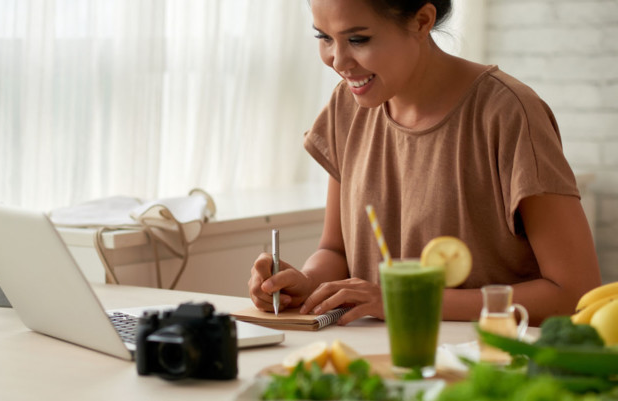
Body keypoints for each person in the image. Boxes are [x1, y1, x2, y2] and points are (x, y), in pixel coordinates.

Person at [248, 0, 601, 326]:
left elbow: (574, 294)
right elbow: (334, 250)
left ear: (421, 21)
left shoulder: (508, 113)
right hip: (382, 359)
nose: (338, 61)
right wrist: (306, 284)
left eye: (357, 39)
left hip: (488, 369)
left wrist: (408, 300)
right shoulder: (347, 106)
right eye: (324, 37)